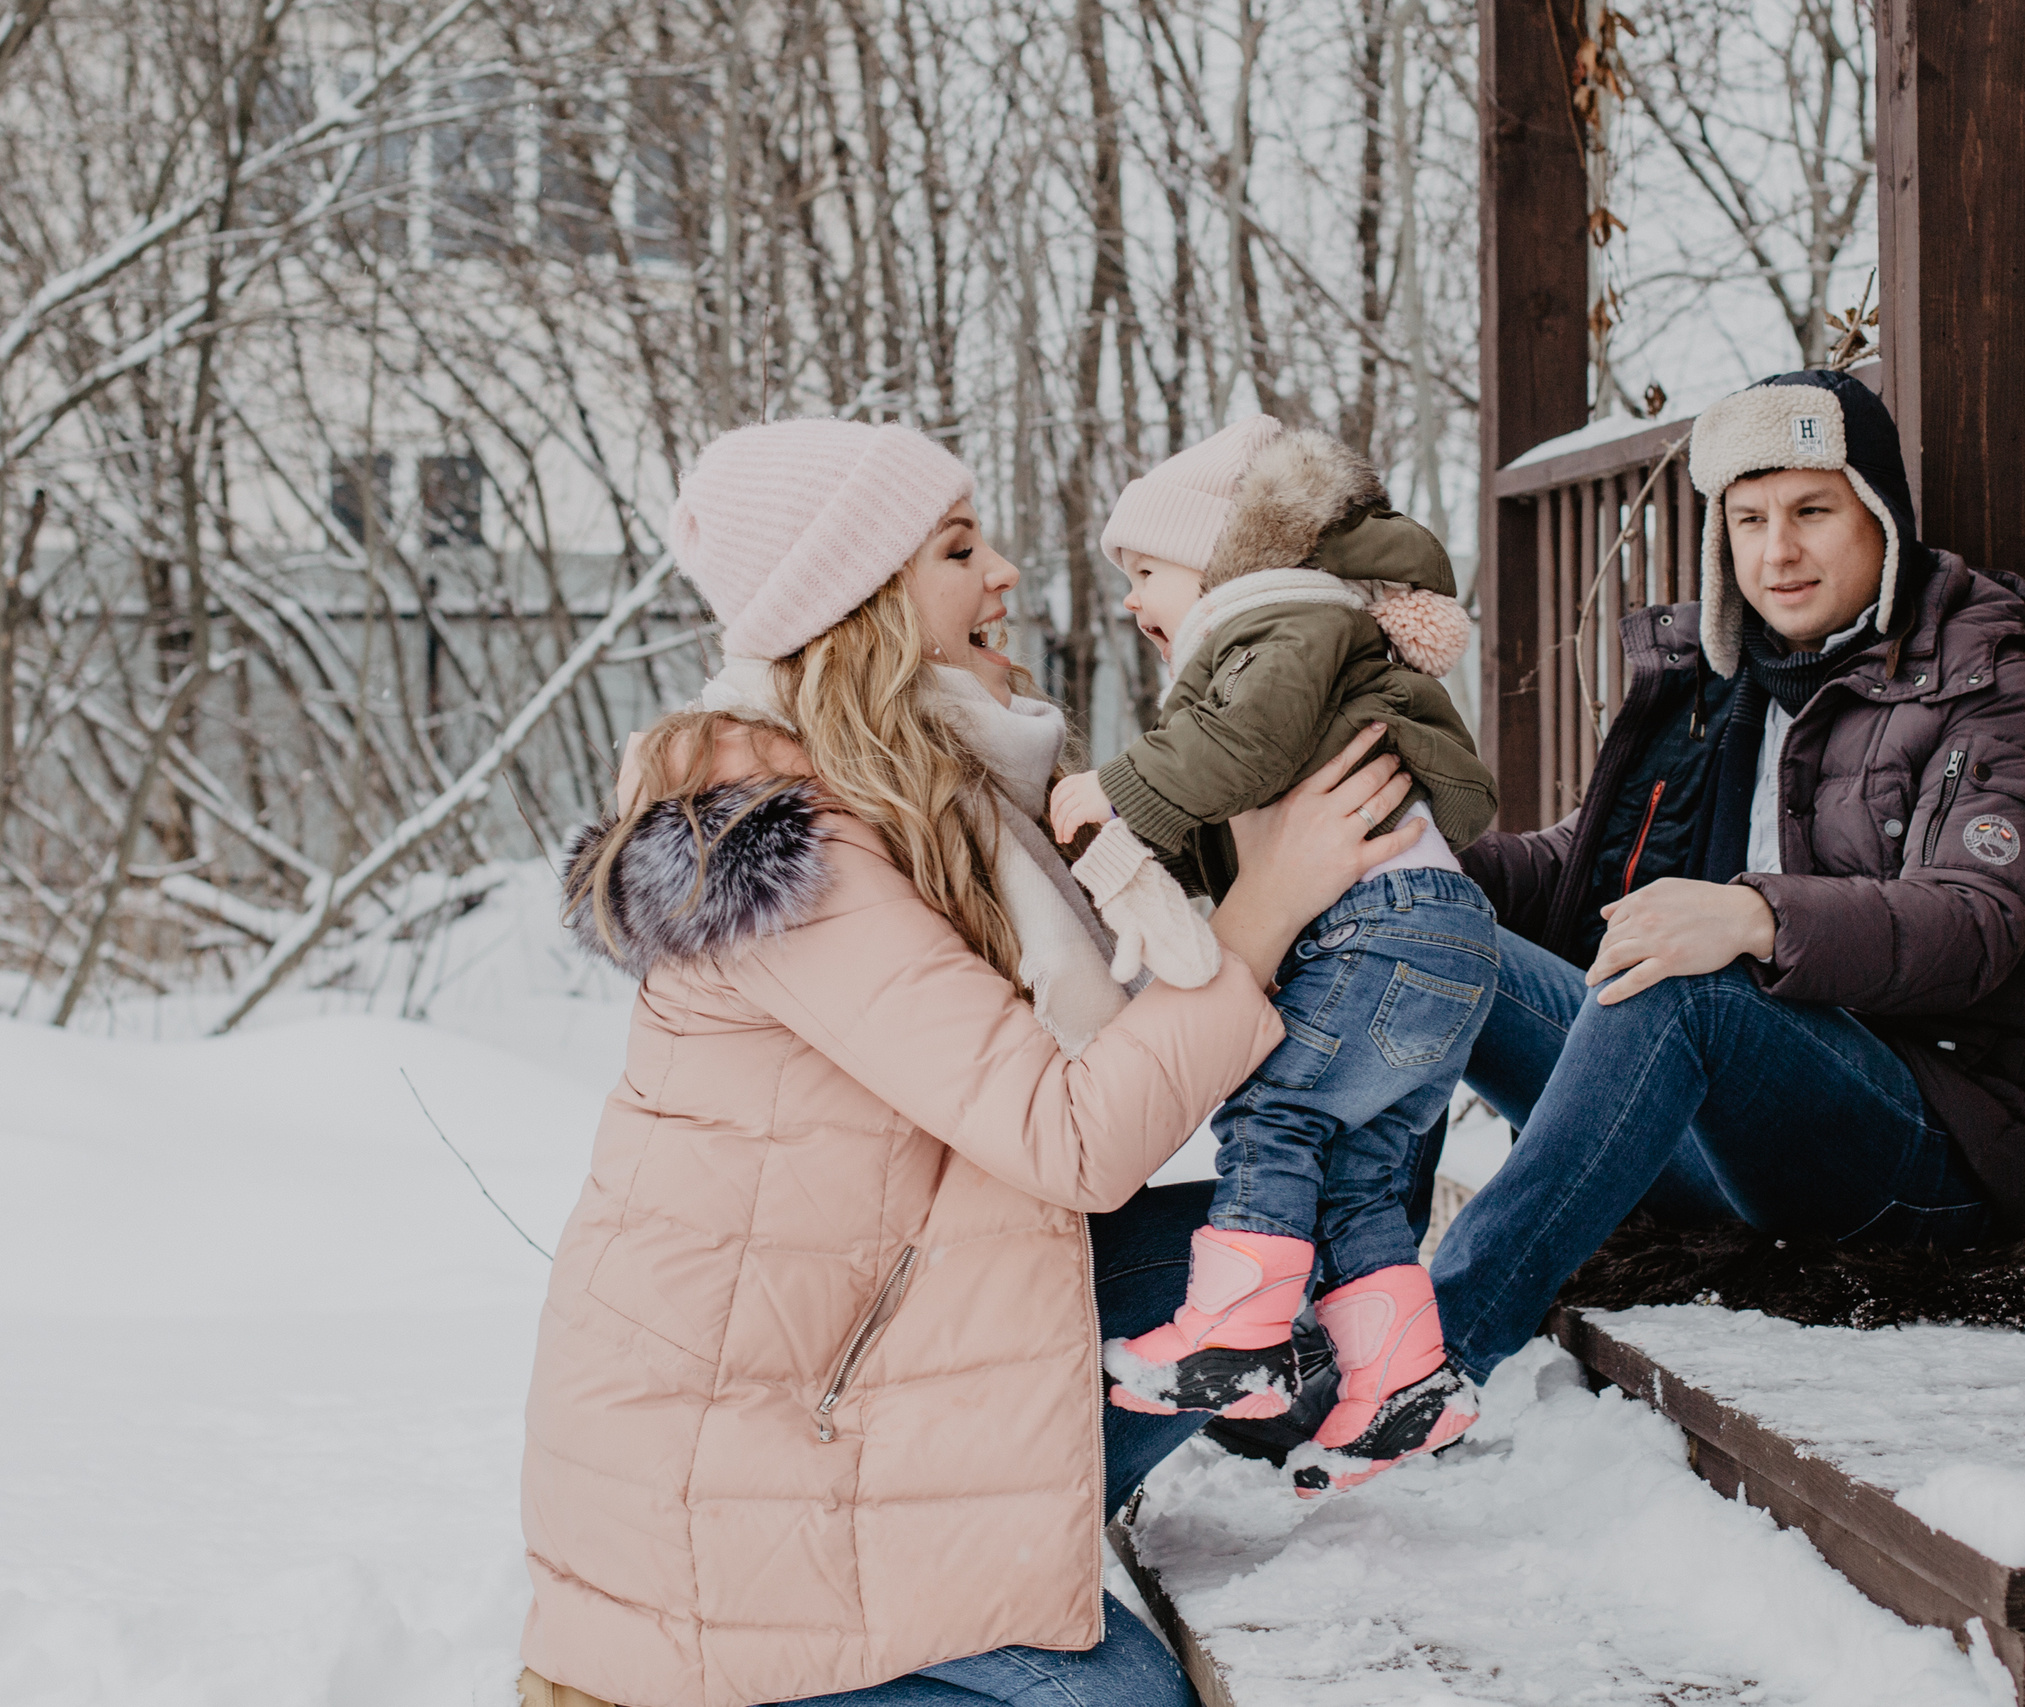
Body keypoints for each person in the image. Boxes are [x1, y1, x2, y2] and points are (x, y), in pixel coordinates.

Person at [515, 417, 1425, 1707]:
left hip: (893, 1334)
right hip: (757, 1495)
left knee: (1315, 1244)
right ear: (864, 603)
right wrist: (1259, 913)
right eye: (956, 549)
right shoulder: (779, 848)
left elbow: (1106, 1073)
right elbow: (1073, 1135)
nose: (1002, 572)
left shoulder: (926, 794)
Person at [1432, 368, 2025, 1392]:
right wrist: (1417, 859)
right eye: (1748, 519)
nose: (1776, 551)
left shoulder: (1995, 688)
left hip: (1935, 1149)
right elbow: (1582, 866)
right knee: (1425, 933)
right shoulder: (1717, 689)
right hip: (1730, 1139)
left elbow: (1970, 924)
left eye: (1811, 511)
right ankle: (1345, 1296)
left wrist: (1753, 916)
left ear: (1879, 516)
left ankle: (1427, 1359)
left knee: (1686, 987)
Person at [1045, 415, 1500, 1493]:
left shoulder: (1283, 617)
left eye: (1145, 569)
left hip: (1374, 931)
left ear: (1227, 559)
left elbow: (1229, 750)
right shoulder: (1301, 644)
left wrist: (1112, 795)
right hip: (1429, 941)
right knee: (1358, 1171)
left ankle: (1236, 1338)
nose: (1129, 598)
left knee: (1272, 1117)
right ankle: (1399, 1382)